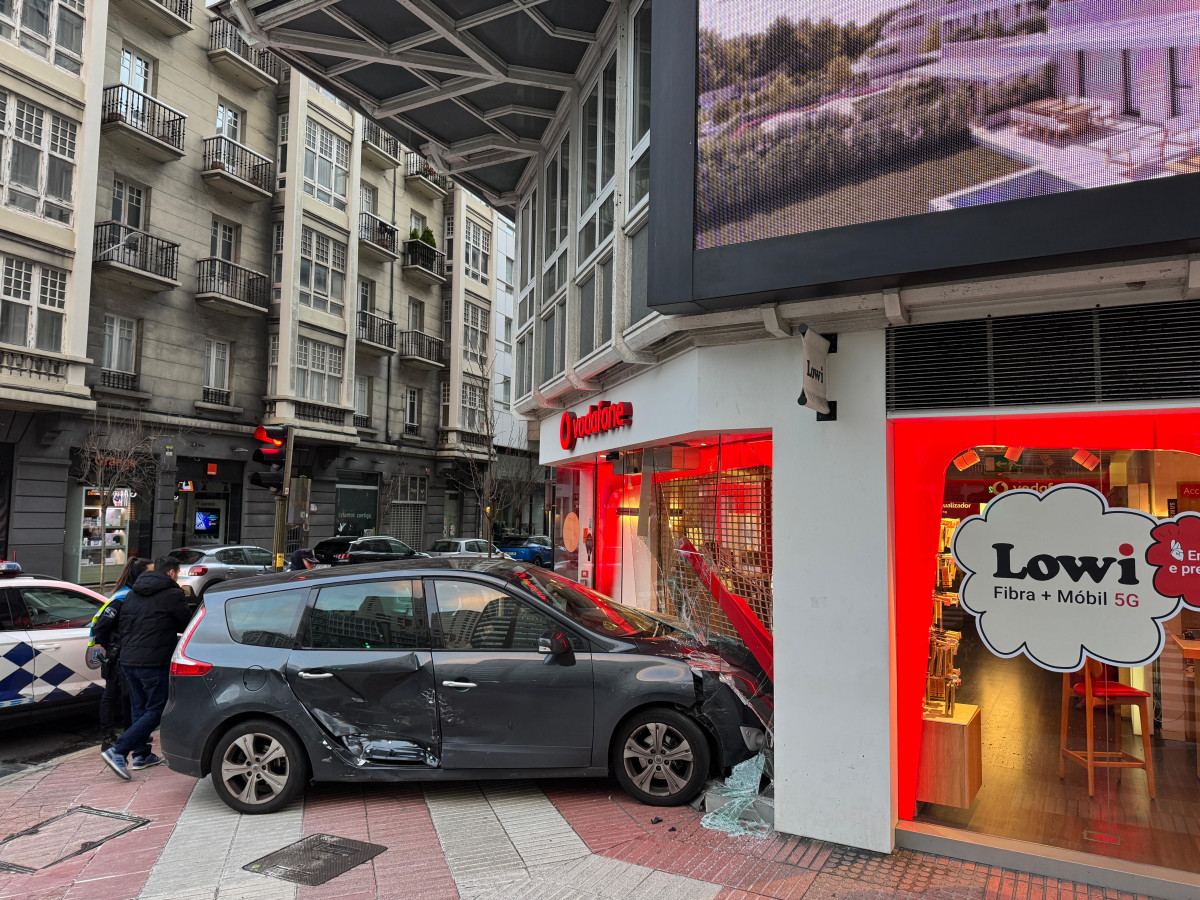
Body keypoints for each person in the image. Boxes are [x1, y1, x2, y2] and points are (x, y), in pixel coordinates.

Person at [101, 556, 190, 780]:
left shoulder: (131, 593)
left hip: (128, 660)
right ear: (171, 573)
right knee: (158, 710)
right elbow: (185, 624)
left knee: (139, 709)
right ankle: (118, 750)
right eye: (177, 574)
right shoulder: (173, 594)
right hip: (154, 661)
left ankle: (141, 755)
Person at [90, 557, 151, 750]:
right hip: (117, 655)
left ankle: (131, 732)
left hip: (127, 652)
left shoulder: (133, 594)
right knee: (112, 694)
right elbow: (101, 626)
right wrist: (111, 647)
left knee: (129, 695)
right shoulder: (122, 598)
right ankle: (108, 737)